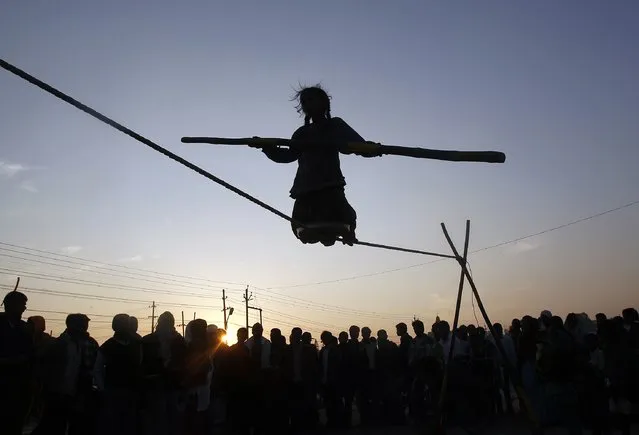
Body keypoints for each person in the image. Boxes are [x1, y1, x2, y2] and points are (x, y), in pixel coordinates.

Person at [255, 85, 380, 246]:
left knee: (345, 216)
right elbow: (287, 156)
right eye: (304, 102)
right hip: (305, 187)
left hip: (329, 183)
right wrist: (267, 148)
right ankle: (321, 234)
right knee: (300, 225)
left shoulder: (335, 125)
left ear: (324, 102)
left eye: (311, 100)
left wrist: (372, 149)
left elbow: (354, 145)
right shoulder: (301, 133)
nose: (307, 104)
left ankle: (346, 235)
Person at [0, 290, 34, 435]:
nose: (24, 308)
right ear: (9, 305)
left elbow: (31, 352)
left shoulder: (25, 328)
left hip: (19, 383)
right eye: (22, 305)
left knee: (15, 421)